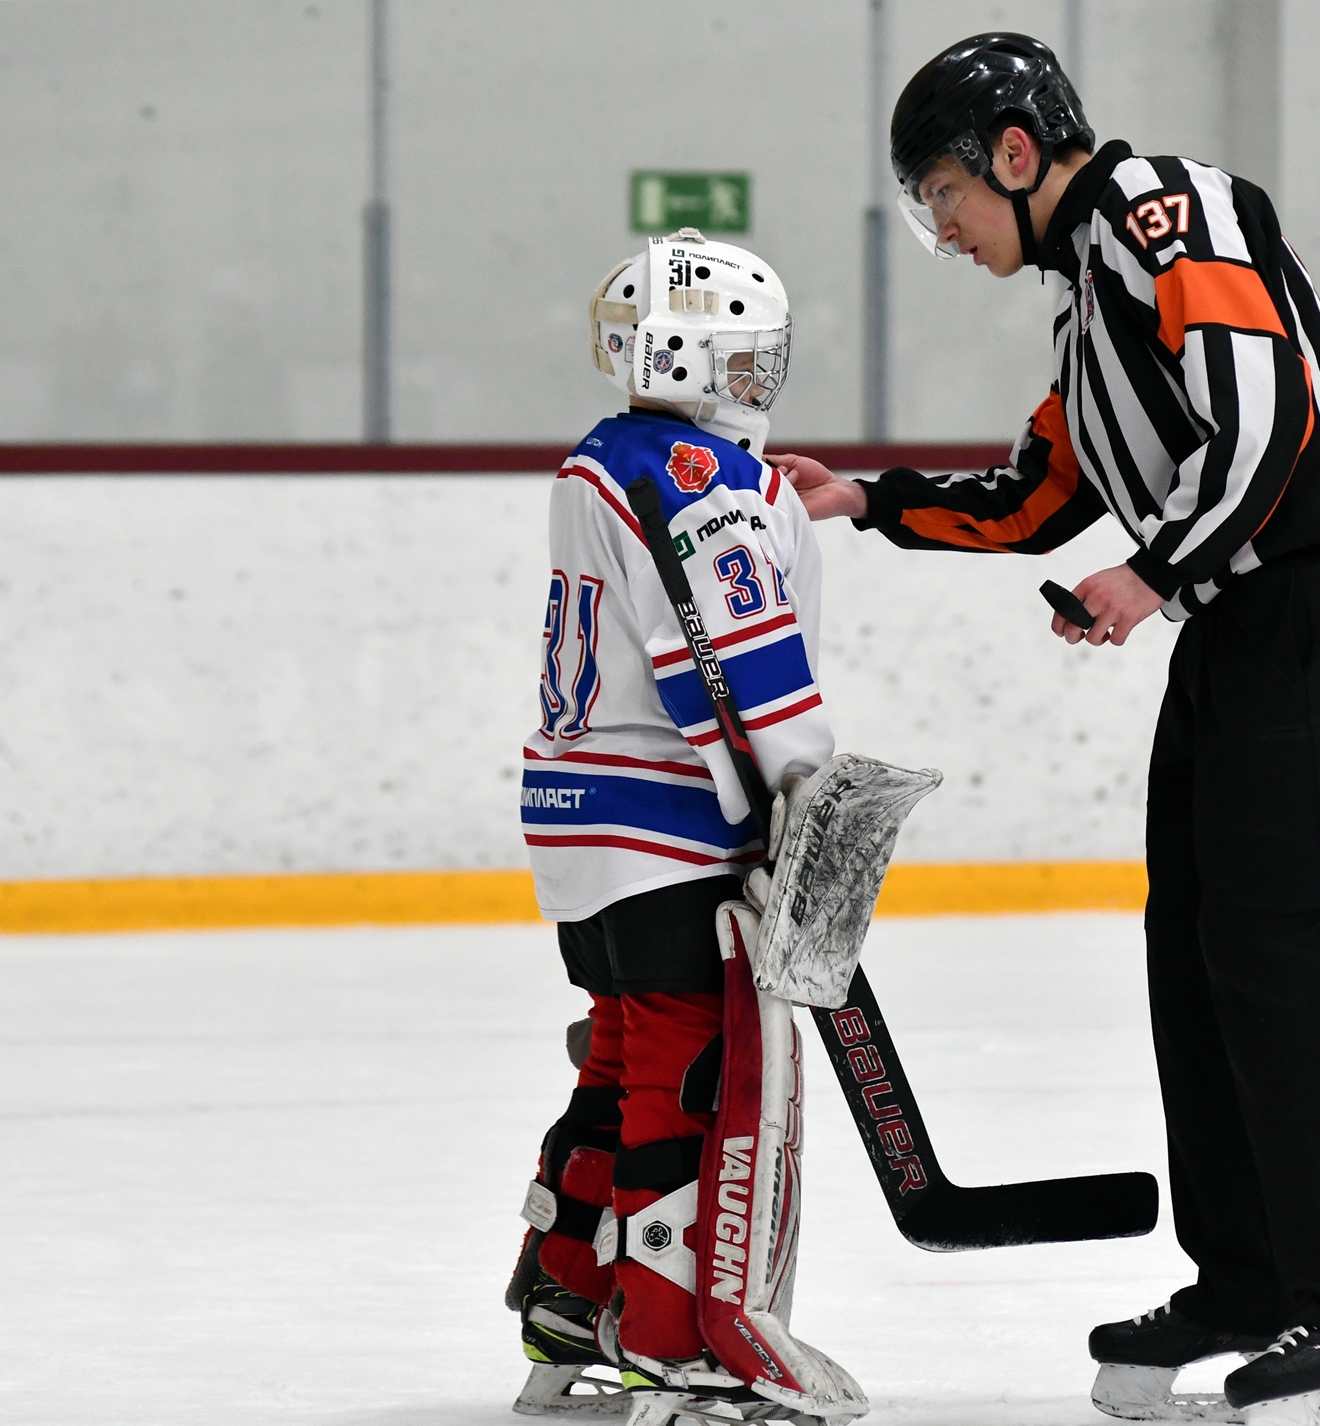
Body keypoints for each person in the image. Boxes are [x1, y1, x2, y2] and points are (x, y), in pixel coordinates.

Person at [774, 34, 1320, 1426]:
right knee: (1202, 963)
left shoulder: (1169, 210)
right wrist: (874, 500)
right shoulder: (1089, 303)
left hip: (1317, 611)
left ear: (1014, 153)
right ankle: (1251, 1278)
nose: (944, 229)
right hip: (1237, 629)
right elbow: (1040, 495)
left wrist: (1152, 573)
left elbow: (1266, 416)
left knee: (1292, 963)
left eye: (944, 194)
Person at [505, 228, 864, 1425]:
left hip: (581, 821)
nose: (758, 377)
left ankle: (569, 1302)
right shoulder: (695, 475)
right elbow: (737, 652)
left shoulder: (604, 457)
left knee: (619, 1058)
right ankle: (673, 1346)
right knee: (691, 1076)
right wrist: (804, 789)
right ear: (678, 355)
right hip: (669, 824)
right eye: (740, 356)